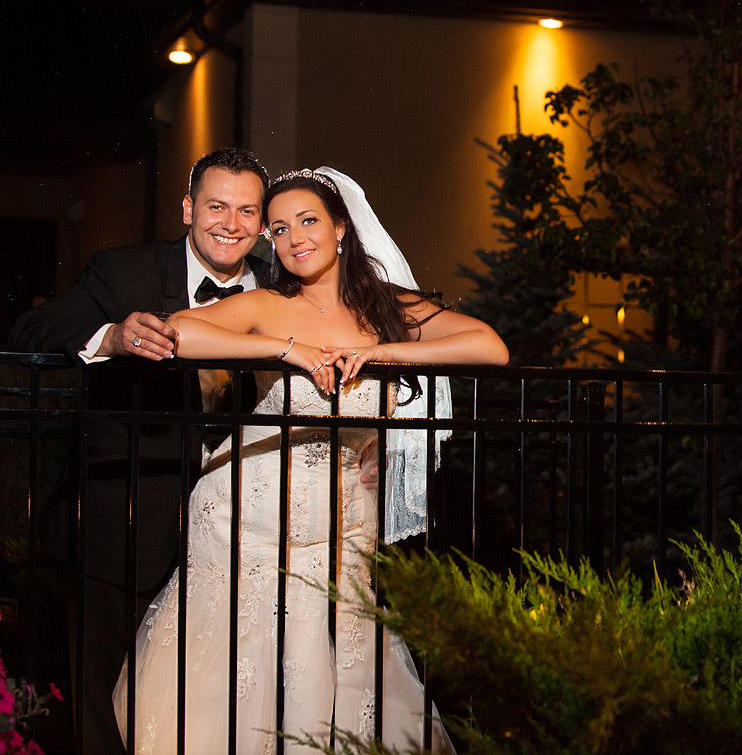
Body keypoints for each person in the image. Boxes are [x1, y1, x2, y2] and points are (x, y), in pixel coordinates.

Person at [112, 167, 508, 753]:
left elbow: (489, 346)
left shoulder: (389, 309)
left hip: (339, 524)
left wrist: (378, 353)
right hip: (245, 518)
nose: (294, 238)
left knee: (338, 667)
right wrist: (286, 349)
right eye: (277, 228)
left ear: (341, 227)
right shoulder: (268, 304)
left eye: (308, 221)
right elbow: (178, 334)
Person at [7, 147, 270, 755]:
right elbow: (33, 334)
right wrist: (113, 337)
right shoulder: (121, 271)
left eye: (246, 211)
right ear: (187, 208)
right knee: (106, 702)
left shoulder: (283, 283)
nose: (230, 223)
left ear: (261, 222)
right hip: (124, 522)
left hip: (248, 530)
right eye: (215, 206)